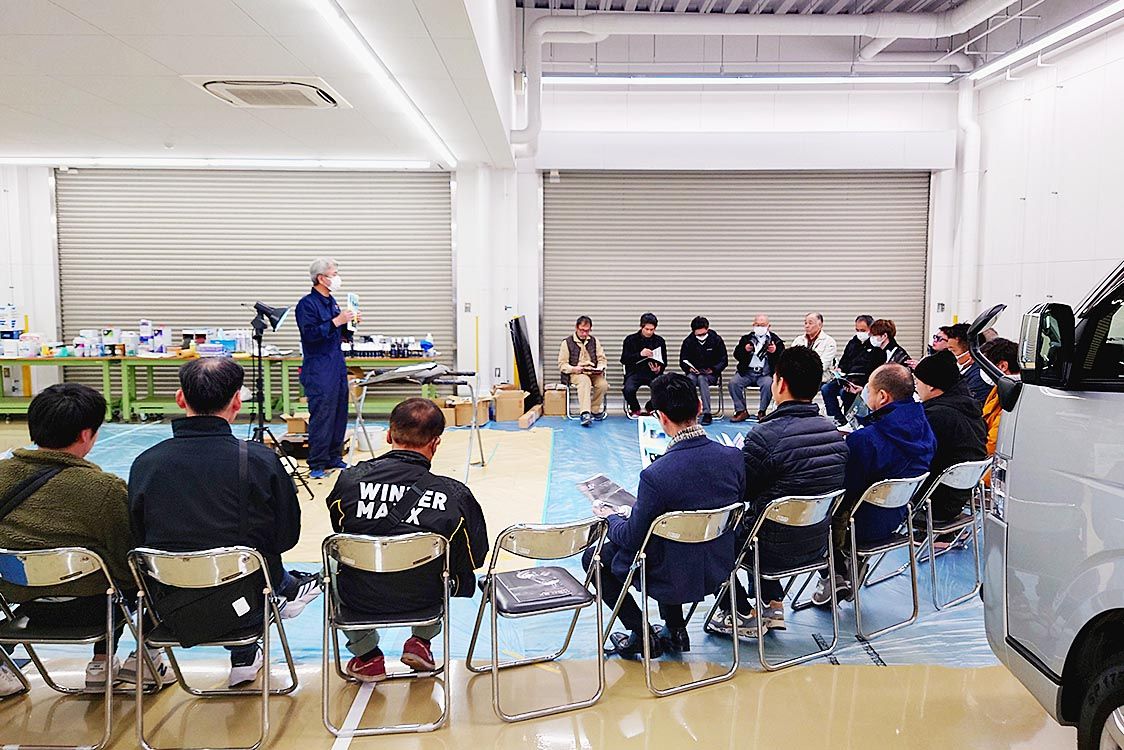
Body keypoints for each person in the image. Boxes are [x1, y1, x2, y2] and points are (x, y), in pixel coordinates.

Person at [129, 358, 321, 688]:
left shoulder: (146, 463)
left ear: (180, 398)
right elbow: (286, 537)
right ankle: (249, 646)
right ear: (236, 402)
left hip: (169, 602)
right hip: (245, 599)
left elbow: (136, 537)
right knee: (251, 556)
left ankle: (242, 647)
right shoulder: (260, 460)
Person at [0, 384, 165, 696]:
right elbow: (127, 561)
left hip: (22, 602)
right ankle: (107, 661)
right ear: (86, 434)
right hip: (92, 609)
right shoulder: (105, 489)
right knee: (140, 574)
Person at [325, 398, 488, 682]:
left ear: (389, 435)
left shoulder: (349, 481)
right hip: (425, 595)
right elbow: (475, 557)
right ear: (435, 443)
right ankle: (421, 642)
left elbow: (342, 533)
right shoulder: (454, 495)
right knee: (449, 564)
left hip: (359, 595)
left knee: (331, 565)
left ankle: (367, 656)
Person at [586, 373, 743, 657]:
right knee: (670, 533)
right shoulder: (733, 458)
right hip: (717, 565)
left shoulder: (656, 475)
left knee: (594, 558)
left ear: (660, 417)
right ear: (699, 407)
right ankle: (675, 630)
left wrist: (610, 517)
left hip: (672, 572)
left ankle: (643, 634)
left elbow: (632, 539)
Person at [706, 347, 848, 640]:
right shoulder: (833, 433)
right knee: (771, 513)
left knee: (714, 535)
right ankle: (773, 605)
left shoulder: (766, 435)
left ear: (780, 383)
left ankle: (738, 611)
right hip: (816, 543)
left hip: (772, 548)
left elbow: (741, 491)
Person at [812, 364, 936, 606]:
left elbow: (844, 488)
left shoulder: (866, 441)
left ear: (882, 396)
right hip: (898, 517)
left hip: (860, 526)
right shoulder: (925, 429)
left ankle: (834, 573)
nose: (864, 393)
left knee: (815, 512)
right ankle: (846, 567)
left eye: (868, 389)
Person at [295, 258, 356, 479]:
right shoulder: (307, 305)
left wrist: (350, 324)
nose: (337, 278)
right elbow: (310, 335)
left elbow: (339, 334)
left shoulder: (332, 302)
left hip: (336, 363)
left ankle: (333, 456)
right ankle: (317, 463)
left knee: (339, 410)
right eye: (334, 274)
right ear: (321, 278)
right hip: (319, 367)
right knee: (323, 413)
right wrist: (336, 321)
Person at [913, 350, 988, 525]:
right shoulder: (969, 409)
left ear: (931, 386)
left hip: (933, 501)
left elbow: (915, 456)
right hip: (959, 496)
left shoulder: (936, 416)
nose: (916, 387)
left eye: (917, 382)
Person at [821, 315, 878, 426]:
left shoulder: (875, 346)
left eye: (863, 330)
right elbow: (844, 360)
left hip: (862, 380)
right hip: (847, 377)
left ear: (870, 329)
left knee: (845, 393)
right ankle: (837, 418)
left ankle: (851, 421)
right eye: (857, 330)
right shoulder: (853, 343)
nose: (859, 333)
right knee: (826, 389)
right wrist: (839, 369)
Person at [729, 314, 785, 423]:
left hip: (764, 373)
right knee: (733, 383)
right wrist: (745, 350)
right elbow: (736, 354)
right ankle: (741, 411)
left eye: (762, 325)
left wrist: (775, 352)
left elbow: (782, 358)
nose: (760, 327)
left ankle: (762, 412)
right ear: (753, 325)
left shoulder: (775, 340)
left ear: (768, 326)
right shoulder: (746, 338)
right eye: (757, 325)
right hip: (747, 372)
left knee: (768, 384)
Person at [558, 316, 609, 427]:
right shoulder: (567, 343)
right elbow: (562, 364)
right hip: (576, 373)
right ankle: (585, 413)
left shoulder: (594, 341)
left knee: (603, 384)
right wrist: (574, 368)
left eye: (587, 331)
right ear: (576, 328)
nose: (584, 333)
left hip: (592, 372)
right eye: (582, 330)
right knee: (584, 380)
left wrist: (600, 367)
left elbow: (602, 359)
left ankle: (594, 410)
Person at [678, 316, 728, 426]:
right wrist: (689, 368)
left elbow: (723, 360)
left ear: (707, 329)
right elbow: (683, 360)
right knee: (689, 380)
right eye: (698, 335)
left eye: (703, 334)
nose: (701, 336)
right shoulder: (688, 341)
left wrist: (713, 369)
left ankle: (707, 412)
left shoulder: (716, 340)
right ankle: (689, 411)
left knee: (702, 379)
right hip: (694, 372)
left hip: (710, 374)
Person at [978, 337, 1021, 456]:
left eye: (985, 366)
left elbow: (994, 442)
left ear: (1002, 366)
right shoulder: (1000, 387)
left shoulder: (1014, 394)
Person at [620, 313, 666, 416]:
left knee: (664, 388)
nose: (649, 332)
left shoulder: (659, 341)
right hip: (634, 372)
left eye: (652, 329)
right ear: (641, 327)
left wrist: (659, 369)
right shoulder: (630, 340)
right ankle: (635, 408)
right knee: (628, 389)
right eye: (647, 329)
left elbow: (664, 361)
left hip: (653, 373)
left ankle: (650, 407)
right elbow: (624, 359)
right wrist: (640, 354)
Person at [946, 323, 991, 402]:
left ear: (971, 352)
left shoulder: (979, 378)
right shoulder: (963, 372)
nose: (948, 355)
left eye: (952, 351)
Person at [791, 313, 837, 384]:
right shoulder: (798, 340)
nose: (807, 326)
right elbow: (791, 360)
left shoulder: (829, 342)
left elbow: (823, 365)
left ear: (820, 325)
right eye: (805, 323)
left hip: (820, 381)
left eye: (810, 323)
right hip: (798, 378)